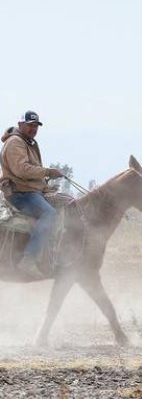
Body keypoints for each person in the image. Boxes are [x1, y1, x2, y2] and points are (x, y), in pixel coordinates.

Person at [0, 111, 64, 278]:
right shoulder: (15, 143)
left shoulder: (27, 142)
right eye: (30, 125)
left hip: (30, 189)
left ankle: (55, 255)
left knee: (66, 205)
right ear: (20, 124)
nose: (33, 129)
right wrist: (48, 171)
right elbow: (21, 169)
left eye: (35, 126)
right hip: (20, 192)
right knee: (49, 214)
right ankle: (29, 260)